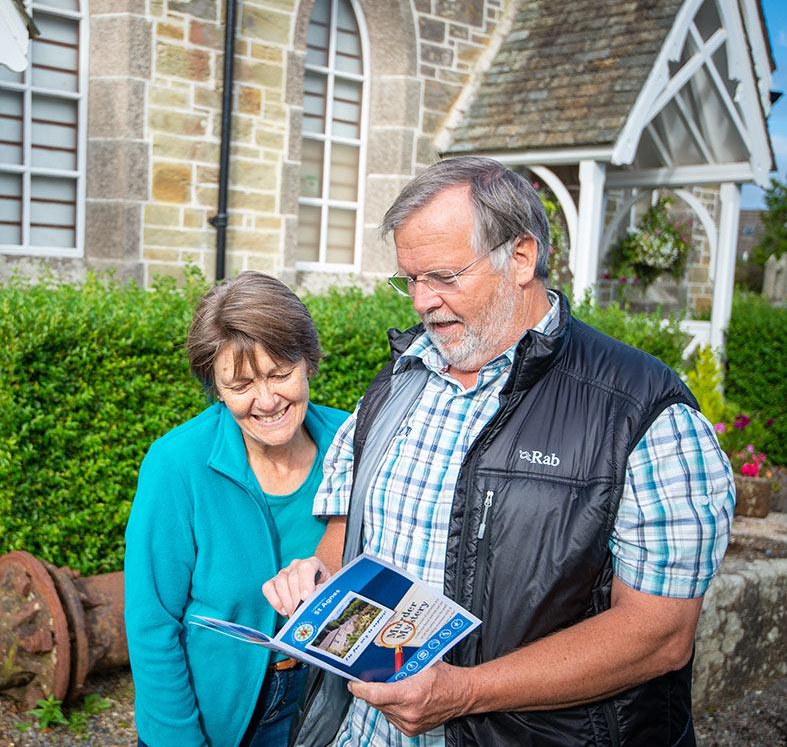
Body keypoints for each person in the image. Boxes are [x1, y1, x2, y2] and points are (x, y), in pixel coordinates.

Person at [263, 157, 735, 746]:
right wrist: (321, 577)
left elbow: (659, 634)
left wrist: (463, 691)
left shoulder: (640, 409)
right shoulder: (397, 381)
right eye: (409, 279)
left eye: (443, 276)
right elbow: (348, 531)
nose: (421, 302)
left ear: (520, 258)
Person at [124, 271, 348, 747]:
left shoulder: (351, 443)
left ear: (308, 361)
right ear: (216, 387)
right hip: (213, 712)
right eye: (240, 384)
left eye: (280, 373)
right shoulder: (176, 465)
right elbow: (152, 623)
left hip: (325, 704)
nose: (266, 401)